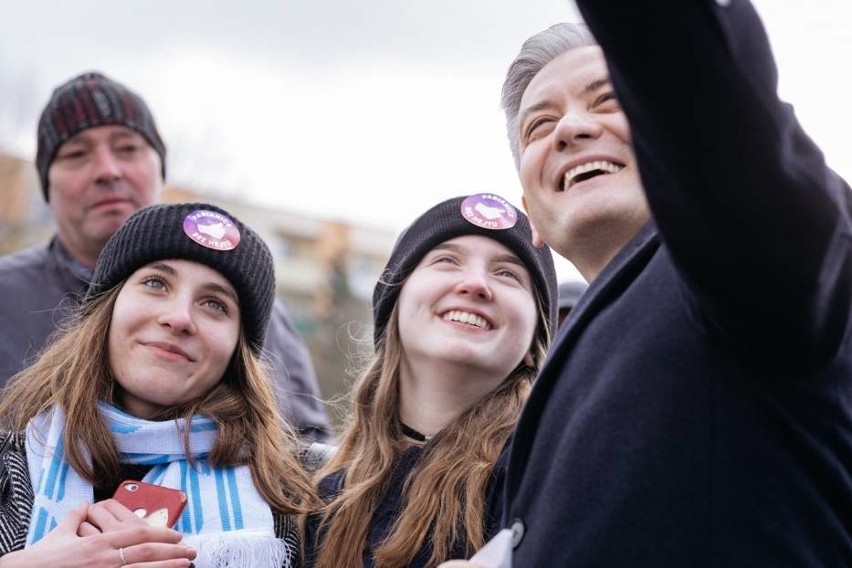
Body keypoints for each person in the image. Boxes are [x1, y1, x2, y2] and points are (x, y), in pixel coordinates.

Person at [452, 2, 850, 566]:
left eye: (609, 99)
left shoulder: (749, 253)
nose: (571, 128)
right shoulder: (561, 384)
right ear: (531, 216)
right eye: (541, 125)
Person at [0, 71, 333, 443]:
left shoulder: (255, 308)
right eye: (78, 154)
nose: (108, 170)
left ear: (160, 169)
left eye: (127, 148)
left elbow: (309, 454)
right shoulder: (6, 297)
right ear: (47, 185)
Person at [0, 202, 318, 567]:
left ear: (238, 349)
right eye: (156, 283)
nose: (179, 318)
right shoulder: (9, 463)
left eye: (214, 304)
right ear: (108, 307)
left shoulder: (299, 500)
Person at [305, 193, 557, 568]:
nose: (475, 284)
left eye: (507, 273)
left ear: (533, 343)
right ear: (395, 307)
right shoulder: (318, 496)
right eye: (446, 260)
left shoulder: (550, 476)